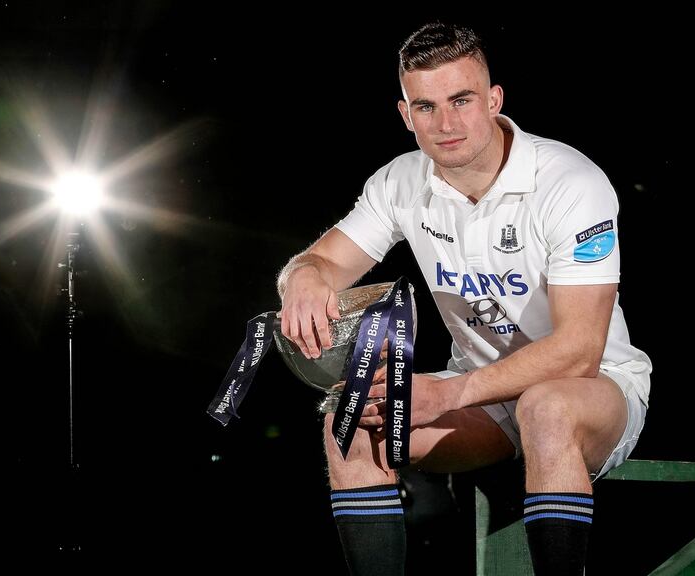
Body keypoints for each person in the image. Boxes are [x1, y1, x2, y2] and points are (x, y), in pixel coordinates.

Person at [276, 21, 651, 576]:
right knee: (347, 422)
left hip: (593, 388)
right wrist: (304, 276)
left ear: (495, 99)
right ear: (405, 114)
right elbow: (320, 262)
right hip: (482, 401)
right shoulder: (400, 181)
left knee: (545, 405)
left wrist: (449, 394)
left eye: (461, 99)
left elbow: (580, 350)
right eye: (425, 106)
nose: (445, 124)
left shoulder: (569, 181)